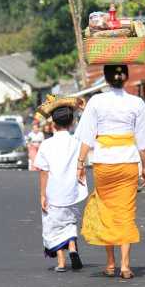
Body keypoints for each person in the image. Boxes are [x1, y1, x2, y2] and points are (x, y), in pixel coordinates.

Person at [74, 64, 145, 279]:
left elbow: (86, 137)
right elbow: (143, 142)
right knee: (125, 212)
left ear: (106, 79)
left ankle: (110, 264)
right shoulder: (136, 103)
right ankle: (126, 266)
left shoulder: (96, 101)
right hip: (128, 163)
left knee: (106, 210)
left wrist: (80, 164)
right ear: (126, 78)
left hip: (104, 164)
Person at [34, 99, 88, 272]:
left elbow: (43, 171)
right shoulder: (76, 142)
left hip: (54, 192)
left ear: (53, 125)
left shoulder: (46, 145)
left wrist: (42, 194)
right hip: (72, 191)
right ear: (71, 123)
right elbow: (87, 130)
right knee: (70, 221)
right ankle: (72, 247)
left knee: (54, 226)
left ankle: (61, 262)